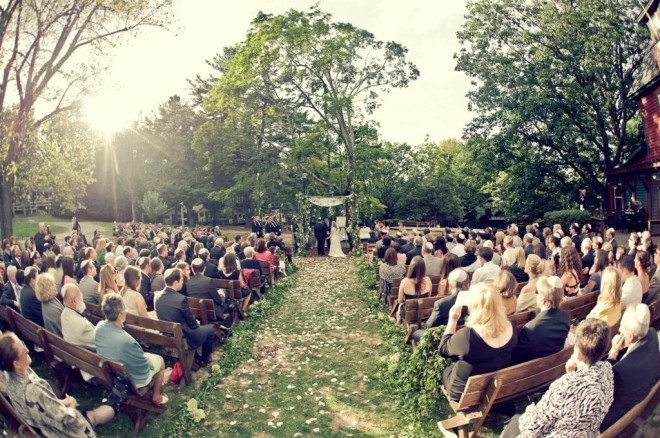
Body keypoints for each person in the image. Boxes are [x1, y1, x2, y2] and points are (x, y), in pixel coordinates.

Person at [500, 319, 613, 438]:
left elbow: (533, 427)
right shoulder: (606, 371)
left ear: (579, 353)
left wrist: (529, 411)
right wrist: (571, 373)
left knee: (515, 422)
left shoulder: (565, 386)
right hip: (585, 433)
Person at [0, 332, 115, 437]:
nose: (27, 349)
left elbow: (40, 407)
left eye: (23, 344)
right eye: (23, 351)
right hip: (59, 432)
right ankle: (117, 400)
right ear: (16, 364)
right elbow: (67, 418)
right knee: (92, 416)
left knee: (87, 411)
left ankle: (116, 400)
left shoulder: (9, 377)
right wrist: (72, 406)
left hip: (47, 422)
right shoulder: (33, 390)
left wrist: (62, 403)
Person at [439, 283, 518, 401]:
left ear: (474, 306)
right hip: (498, 385)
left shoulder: (467, 336)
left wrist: (453, 319)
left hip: (464, 393)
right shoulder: (510, 326)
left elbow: (443, 349)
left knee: (446, 371)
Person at [95, 293, 167, 405]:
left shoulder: (99, 327)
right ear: (120, 315)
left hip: (114, 373)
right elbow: (143, 366)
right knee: (160, 360)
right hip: (132, 380)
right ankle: (156, 396)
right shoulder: (127, 340)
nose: (126, 310)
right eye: (125, 308)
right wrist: (148, 358)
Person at [600, 304, 659, 431]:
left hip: (609, 415)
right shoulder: (652, 334)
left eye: (621, 331)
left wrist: (613, 353)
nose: (620, 334)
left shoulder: (620, 372)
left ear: (630, 336)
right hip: (637, 395)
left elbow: (600, 385)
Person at [155, 268, 215, 368]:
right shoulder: (181, 299)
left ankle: (197, 357)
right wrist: (196, 322)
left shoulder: (157, 296)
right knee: (210, 329)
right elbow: (193, 325)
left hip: (167, 335)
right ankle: (204, 359)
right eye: (181, 280)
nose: (183, 282)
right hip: (184, 337)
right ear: (175, 282)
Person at [512, 276, 571, 364]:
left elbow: (516, 359)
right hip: (554, 366)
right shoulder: (566, 317)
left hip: (532, 373)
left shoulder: (529, 329)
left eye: (537, 293)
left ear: (542, 298)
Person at [411, 269, 470, 342]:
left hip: (443, 339)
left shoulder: (441, 304)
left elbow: (429, 326)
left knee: (415, 333)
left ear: (450, 284)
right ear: (468, 282)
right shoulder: (477, 299)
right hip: (467, 336)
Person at [188, 258, 228, 323]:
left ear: (192, 269)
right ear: (204, 268)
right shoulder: (209, 281)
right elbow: (218, 300)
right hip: (211, 313)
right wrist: (221, 295)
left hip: (195, 313)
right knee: (223, 295)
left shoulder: (188, 282)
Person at [60, 283, 96, 350]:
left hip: (73, 354)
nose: (83, 302)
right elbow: (99, 340)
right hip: (88, 358)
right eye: (81, 299)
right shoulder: (84, 325)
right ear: (75, 301)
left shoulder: (64, 314)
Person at [35, 272, 64, 336]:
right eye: (52, 285)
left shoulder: (49, 300)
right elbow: (64, 330)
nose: (55, 286)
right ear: (46, 289)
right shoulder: (52, 310)